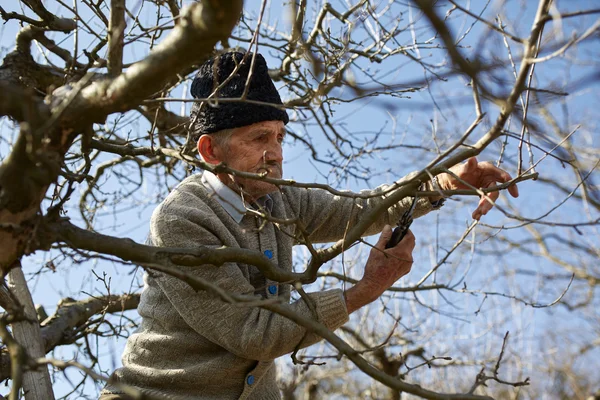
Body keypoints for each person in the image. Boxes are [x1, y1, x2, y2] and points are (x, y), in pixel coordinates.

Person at [100, 52, 518, 400]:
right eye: (259, 138)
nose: (276, 153)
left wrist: (444, 183)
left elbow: (362, 208)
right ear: (211, 150)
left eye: (280, 137)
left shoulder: (280, 199)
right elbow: (255, 332)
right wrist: (364, 290)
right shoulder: (182, 219)